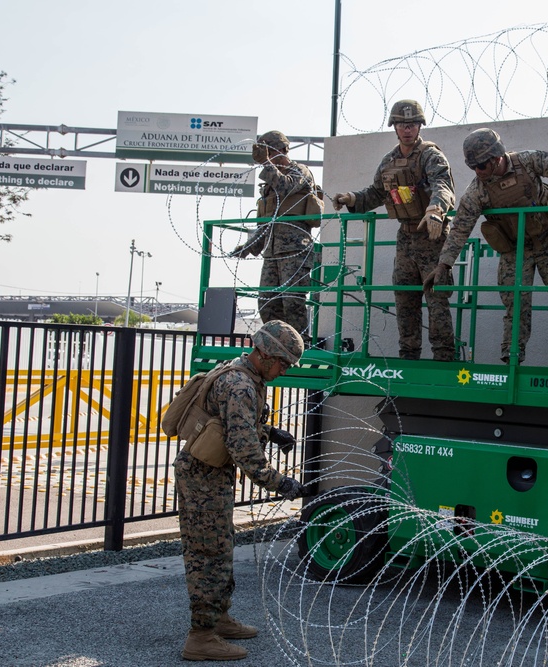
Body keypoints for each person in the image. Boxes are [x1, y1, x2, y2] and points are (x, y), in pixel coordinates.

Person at [173, 319, 307, 661]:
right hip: (204, 479)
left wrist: (271, 432)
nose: (285, 371)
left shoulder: (240, 372)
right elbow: (246, 455)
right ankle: (201, 637)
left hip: (208, 474)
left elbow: (237, 423)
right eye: (284, 364)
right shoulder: (241, 386)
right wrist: (283, 484)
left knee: (220, 547)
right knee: (208, 555)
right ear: (265, 355)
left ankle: (218, 618)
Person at [423, 128, 548, 367]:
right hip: (515, 251)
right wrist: (444, 264)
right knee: (515, 305)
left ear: (496, 157)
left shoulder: (528, 161)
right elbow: (460, 228)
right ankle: (512, 360)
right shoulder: (477, 191)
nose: (477, 172)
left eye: (480, 166)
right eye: (473, 167)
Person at [331, 99, 457, 361]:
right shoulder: (389, 161)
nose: (407, 129)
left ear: (419, 126)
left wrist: (435, 210)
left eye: (412, 124)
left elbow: (442, 185)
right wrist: (351, 199)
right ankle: (408, 355)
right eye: (402, 124)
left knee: (437, 300)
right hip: (406, 238)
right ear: (394, 127)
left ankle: (444, 357)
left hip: (432, 237)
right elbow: (376, 192)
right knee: (404, 299)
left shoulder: (431, 156)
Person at [233, 130, 319, 343]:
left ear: (282, 150)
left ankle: (300, 344)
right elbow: (266, 223)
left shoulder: (300, 172)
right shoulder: (269, 185)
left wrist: (267, 165)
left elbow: (287, 186)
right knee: (267, 303)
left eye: (270, 152)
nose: (267, 158)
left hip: (294, 250)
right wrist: (250, 246)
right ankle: (277, 344)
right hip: (272, 252)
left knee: (292, 302)